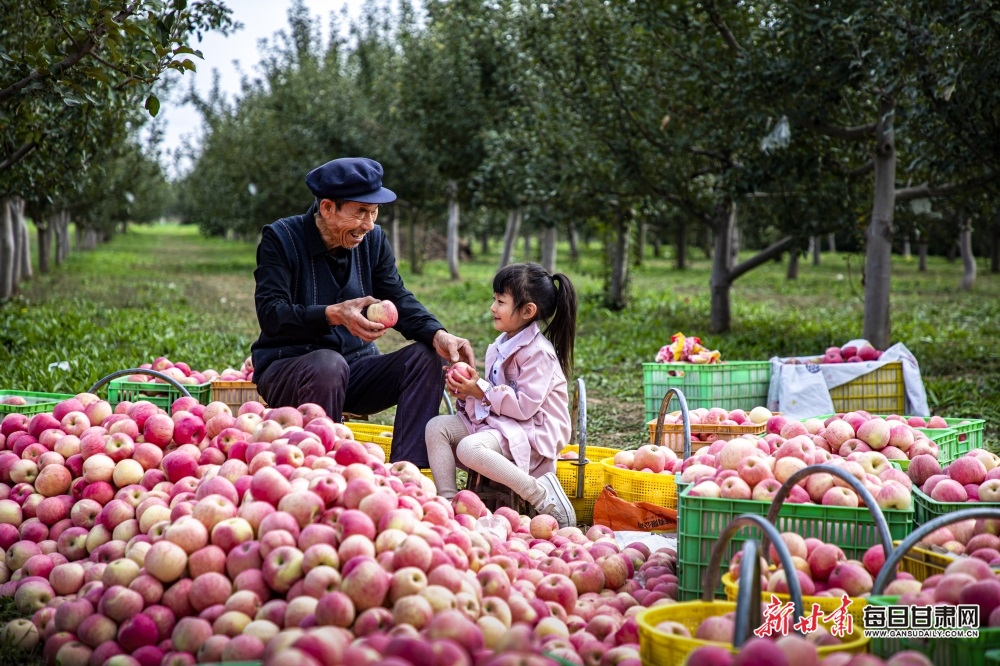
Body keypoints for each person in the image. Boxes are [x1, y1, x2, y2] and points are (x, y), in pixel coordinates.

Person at [251, 157, 475, 469]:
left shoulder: (373, 241)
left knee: (427, 357)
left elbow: (396, 295)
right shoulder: (282, 239)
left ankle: (407, 473)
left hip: (356, 370)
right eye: (360, 212)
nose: (368, 224)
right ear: (328, 208)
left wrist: (437, 333)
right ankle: (322, 471)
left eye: (373, 212)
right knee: (329, 364)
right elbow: (271, 314)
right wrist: (333, 314)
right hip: (289, 367)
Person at [425, 262, 579, 527]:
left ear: (528, 310)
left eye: (500, 301)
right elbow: (493, 398)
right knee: (437, 427)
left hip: (533, 432)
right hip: (504, 424)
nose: (492, 308)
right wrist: (467, 393)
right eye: (494, 300)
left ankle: (539, 493)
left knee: (468, 448)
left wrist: (480, 389)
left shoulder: (538, 353)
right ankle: (449, 504)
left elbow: (524, 407)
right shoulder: (502, 344)